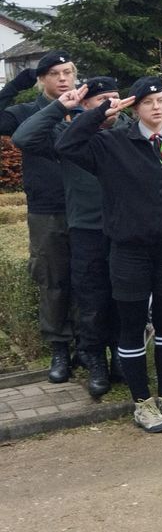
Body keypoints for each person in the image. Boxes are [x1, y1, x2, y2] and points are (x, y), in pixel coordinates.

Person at [57, 77, 162, 433]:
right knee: (131, 327)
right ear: (135, 108)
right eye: (147, 102)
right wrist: (99, 113)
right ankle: (142, 401)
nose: (157, 107)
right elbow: (67, 145)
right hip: (130, 251)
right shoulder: (111, 144)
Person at [12, 77, 123, 396]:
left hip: (123, 228)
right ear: (85, 105)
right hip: (86, 228)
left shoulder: (127, 130)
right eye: (103, 100)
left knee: (123, 296)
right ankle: (95, 359)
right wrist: (62, 105)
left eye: (116, 98)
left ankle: (120, 355)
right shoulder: (67, 134)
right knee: (90, 300)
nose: (112, 105)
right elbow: (23, 137)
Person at [2, 52, 77, 382]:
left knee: (91, 278)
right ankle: (60, 348)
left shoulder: (84, 109)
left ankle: (91, 346)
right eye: (56, 73)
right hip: (48, 210)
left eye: (69, 72)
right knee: (54, 281)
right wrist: (18, 80)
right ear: (42, 79)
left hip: (88, 209)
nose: (63, 79)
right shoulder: (25, 113)